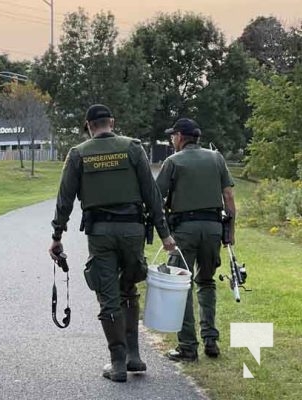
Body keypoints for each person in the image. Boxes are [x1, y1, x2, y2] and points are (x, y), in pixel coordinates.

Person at [48, 104, 176, 383]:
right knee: (128, 289)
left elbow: (65, 200)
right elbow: (152, 194)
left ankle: (117, 363)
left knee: (108, 296)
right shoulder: (133, 148)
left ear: (89, 126)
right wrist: (165, 234)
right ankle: (134, 356)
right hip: (133, 231)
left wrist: (57, 236)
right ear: (112, 122)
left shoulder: (78, 154)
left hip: (101, 233)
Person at [156, 118, 236, 362]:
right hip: (213, 228)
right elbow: (229, 197)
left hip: (184, 230)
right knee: (207, 281)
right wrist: (229, 232)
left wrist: (163, 231)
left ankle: (188, 346)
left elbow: (156, 196)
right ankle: (211, 339)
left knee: (181, 286)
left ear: (181, 136)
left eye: (173, 136)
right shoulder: (217, 158)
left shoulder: (173, 162)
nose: (172, 140)